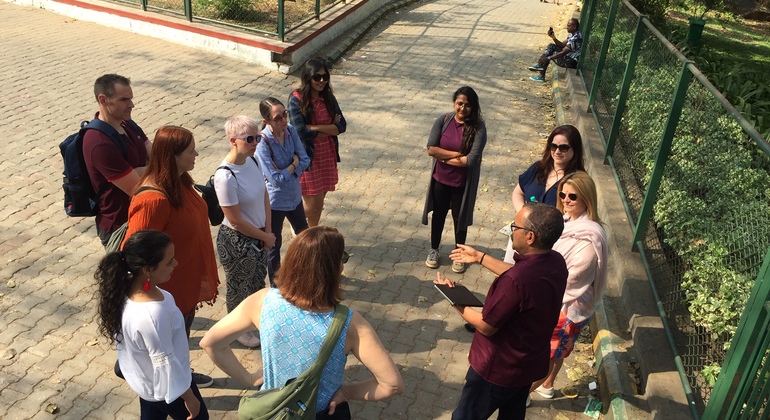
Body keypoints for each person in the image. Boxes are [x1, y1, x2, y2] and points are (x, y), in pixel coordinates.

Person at [200, 226, 404, 418]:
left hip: (274, 410)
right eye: (342, 258)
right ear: (333, 270)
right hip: (323, 412)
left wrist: (249, 378)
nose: (343, 264)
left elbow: (210, 343)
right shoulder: (350, 324)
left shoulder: (262, 301)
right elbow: (392, 384)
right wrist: (347, 393)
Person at [437, 202, 568, 420]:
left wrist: (455, 300)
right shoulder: (555, 262)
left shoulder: (514, 282)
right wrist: (480, 257)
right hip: (528, 366)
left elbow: (486, 326)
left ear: (530, 237)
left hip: (497, 370)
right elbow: (522, 274)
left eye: (515, 227)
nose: (511, 231)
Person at [122, 125, 219, 388]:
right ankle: (175, 385)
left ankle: (179, 374)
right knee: (170, 342)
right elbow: (135, 249)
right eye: (190, 150)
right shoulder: (154, 199)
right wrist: (143, 294)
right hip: (167, 288)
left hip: (183, 281)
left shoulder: (180, 182)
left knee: (179, 337)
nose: (197, 154)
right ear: (172, 156)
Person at [96, 230, 208, 419]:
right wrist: (189, 397)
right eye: (169, 261)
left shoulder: (125, 287)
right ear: (147, 269)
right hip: (168, 388)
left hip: (148, 383)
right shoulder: (152, 315)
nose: (176, 264)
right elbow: (165, 364)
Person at [530, 171, 608, 400]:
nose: (565, 199)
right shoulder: (564, 221)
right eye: (562, 194)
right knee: (558, 350)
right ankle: (548, 385)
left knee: (549, 352)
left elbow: (573, 277)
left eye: (572, 196)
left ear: (587, 198)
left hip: (568, 306)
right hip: (557, 300)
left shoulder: (589, 237)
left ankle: (522, 393)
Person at [214, 115, 276, 349]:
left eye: (257, 137)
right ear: (233, 140)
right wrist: (265, 237)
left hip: (260, 236)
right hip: (237, 240)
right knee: (239, 287)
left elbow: (264, 195)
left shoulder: (253, 161)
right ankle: (236, 330)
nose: (255, 143)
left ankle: (253, 321)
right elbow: (236, 220)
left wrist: (268, 231)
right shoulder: (225, 175)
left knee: (257, 283)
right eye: (250, 139)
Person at [422, 86, 487, 274]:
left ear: (473, 107)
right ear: (454, 103)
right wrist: (457, 154)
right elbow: (430, 149)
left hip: (462, 184)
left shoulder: (478, 127)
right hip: (440, 180)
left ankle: (459, 254)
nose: (462, 108)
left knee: (460, 220)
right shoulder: (444, 120)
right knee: (439, 216)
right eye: (459, 103)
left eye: (467, 105)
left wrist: (443, 157)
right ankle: (434, 249)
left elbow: (471, 160)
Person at [83, 74, 152, 246]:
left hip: (141, 217)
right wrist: (148, 169)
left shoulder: (127, 124)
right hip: (121, 227)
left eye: (131, 98)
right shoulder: (98, 142)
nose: (131, 105)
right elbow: (137, 189)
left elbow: (156, 155)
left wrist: (139, 171)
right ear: (103, 100)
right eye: (124, 99)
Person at [503, 124, 584, 262]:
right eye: (553, 146)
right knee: (509, 272)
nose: (557, 151)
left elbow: (576, 214)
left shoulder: (578, 181)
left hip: (549, 245)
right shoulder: (537, 168)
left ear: (575, 150)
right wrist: (524, 216)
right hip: (522, 234)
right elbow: (518, 193)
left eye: (563, 148)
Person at [256, 98, 311, 285]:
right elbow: (275, 179)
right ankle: (275, 287)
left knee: (305, 238)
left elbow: (305, 159)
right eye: (277, 118)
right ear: (267, 121)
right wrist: (293, 165)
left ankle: (306, 276)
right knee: (273, 247)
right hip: (275, 203)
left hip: (295, 198)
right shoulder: (262, 144)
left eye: (284, 115)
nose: (283, 121)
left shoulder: (291, 131)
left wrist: (287, 169)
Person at [287, 58, 347, 227]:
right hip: (308, 159)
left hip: (327, 155)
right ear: (308, 77)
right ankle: (284, 213)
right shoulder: (296, 99)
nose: (322, 81)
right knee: (314, 205)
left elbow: (341, 126)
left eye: (325, 76)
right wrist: (330, 127)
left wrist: (315, 127)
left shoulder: (328, 97)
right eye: (317, 77)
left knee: (318, 204)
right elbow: (301, 132)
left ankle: (309, 235)